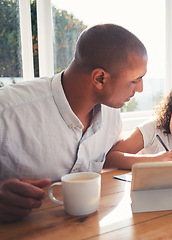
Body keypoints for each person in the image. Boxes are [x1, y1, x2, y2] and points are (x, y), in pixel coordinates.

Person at [0, 24, 148, 222]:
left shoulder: (112, 115)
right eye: (135, 80)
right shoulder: (7, 111)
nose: (140, 89)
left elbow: (111, 159)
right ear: (100, 78)